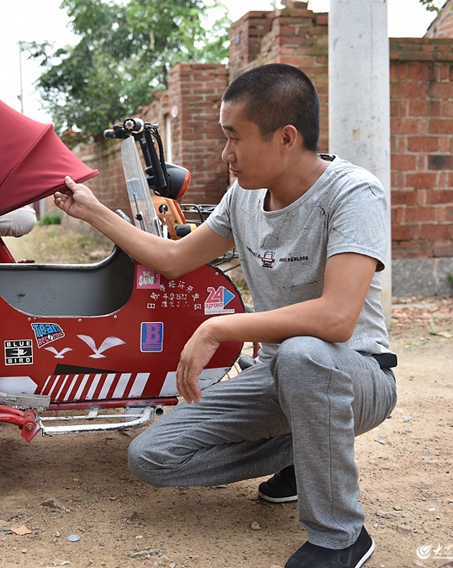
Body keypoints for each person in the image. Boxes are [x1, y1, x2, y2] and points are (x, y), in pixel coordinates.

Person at [53, 63, 397, 568]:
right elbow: (173, 259)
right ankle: (310, 457)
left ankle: (340, 536)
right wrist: (93, 211)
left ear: (285, 138)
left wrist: (219, 325)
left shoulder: (352, 194)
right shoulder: (243, 198)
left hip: (356, 374)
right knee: (150, 456)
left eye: (234, 138)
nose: (225, 154)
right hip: (283, 379)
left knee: (304, 354)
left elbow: (336, 319)